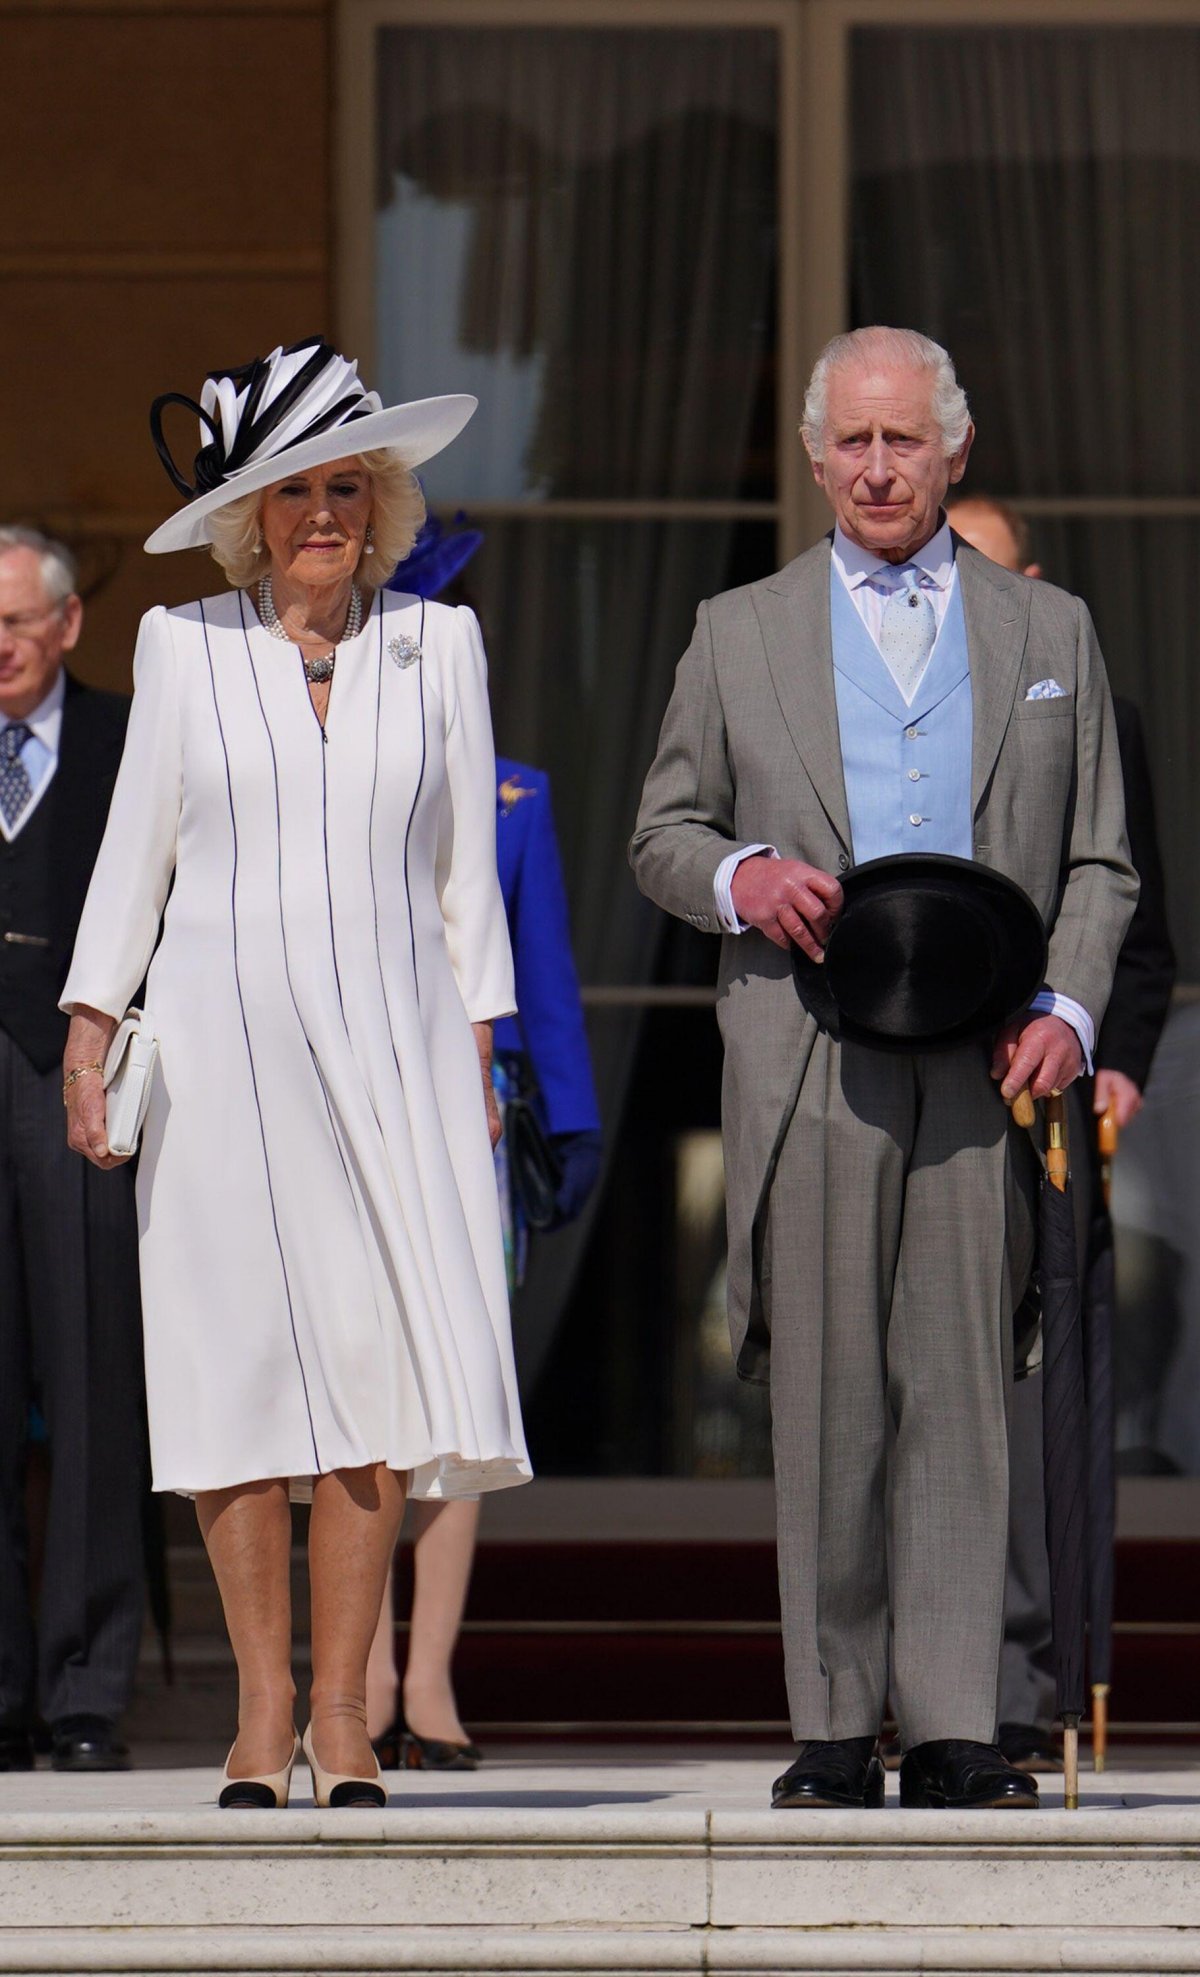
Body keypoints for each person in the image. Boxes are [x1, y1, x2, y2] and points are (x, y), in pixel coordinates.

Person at [631, 326, 1137, 1812]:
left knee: (966, 1394)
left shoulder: (1055, 638)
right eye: (850, 442)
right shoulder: (739, 629)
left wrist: (1072, 1010)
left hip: (987, 1064)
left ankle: (964, 1723)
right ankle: (837, 1724)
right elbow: (662, 831)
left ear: (953, 449)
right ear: (812, 456)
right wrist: (742, 879)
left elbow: (1103, 861)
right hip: (811, 1059)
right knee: (833, 1395)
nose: (874, 468)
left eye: (901, 441)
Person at [60, 337, 531, 1810]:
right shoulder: (183, 647)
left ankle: (345, 1711)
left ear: (378, 504)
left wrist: (479, 1055)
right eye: (291, 491)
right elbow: (135, 848)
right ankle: (259, 1708)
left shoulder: (435, 646)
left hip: (395, 1063)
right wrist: (91, 1029)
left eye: (345, 487)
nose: (321, 514)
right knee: (233, 1379)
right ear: (248, 517)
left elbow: (468, 881)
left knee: (376, 1376)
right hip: (216, 1059)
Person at [365, 513, 602, 1769]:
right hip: (349, 1109)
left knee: (459, 1398)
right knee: (357, 1398)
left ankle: (432, 1682)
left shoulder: (519, 796)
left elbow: (547, 979)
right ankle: (359, 1675)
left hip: (477, 1123)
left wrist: (571, 1124)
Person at [948, 493, 1176, 1770]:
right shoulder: (889, 725)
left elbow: (1143, 932)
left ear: (1032, 585)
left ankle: (1026, 1685)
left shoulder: (1102, 720)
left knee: (1045, 1408)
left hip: (1048, 1098)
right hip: (916, 1099)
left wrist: (1115, 1058)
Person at [0, 527, 143, 1775]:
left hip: (82, 1093)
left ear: (65, 625)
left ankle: (88, 1690)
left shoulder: (132, 738)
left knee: (96, 1391)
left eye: (13, 620)